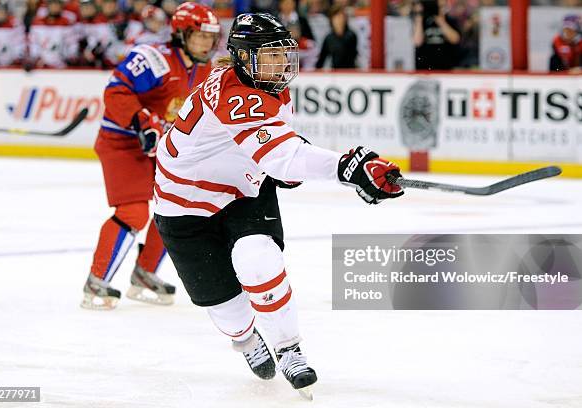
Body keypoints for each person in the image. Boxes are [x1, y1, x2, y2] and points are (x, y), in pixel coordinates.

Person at [153, 13, 404, 397]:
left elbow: (279, 149)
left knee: (259, 257)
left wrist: (319, 165)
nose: (281, 63)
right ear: (242, 57)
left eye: (283, 54)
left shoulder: (268, 84)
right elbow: (281, 156)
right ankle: (247, 340)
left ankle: (289, 348)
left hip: (243, 191)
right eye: (270, 55)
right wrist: (346, 167)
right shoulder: (235, 92)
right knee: (228, 312)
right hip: (182, 204)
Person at [81, 2, 221, 310]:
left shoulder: (207, 71)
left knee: (177, 207)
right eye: (199, 36)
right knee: (134, 214)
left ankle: (145, 273)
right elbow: (116, 91)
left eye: (210, 38)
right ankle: (97, 281)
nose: (205, 44)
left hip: (159, 148)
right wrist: (143, 122)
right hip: (122, 144)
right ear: (181, 35)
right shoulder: (154, 58)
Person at [412, 0, 461, 70]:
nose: (440, 9)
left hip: (445, 66)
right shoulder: (424, 21)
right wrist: (419, 16)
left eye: (442, 6)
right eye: (438, 6)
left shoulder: (450, 21)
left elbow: (455, 39)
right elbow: (417, 42)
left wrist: (441, 21)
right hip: (424, 67)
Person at [315, 4, 357, 69]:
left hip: (349, 72)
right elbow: (321, 60)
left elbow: (346, 55)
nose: (339, 20)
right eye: (336, 17)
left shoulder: (351, 36)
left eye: (341, 16)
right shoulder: (329, 38)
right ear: (331, 19)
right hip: (335, 73)